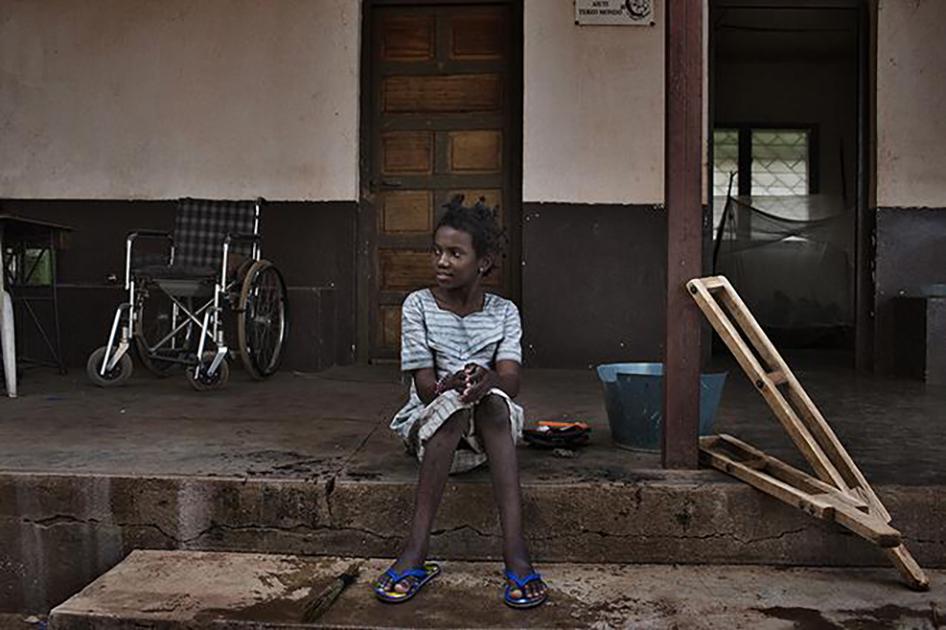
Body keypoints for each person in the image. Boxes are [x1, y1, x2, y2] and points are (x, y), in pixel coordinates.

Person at [372, 196, 548, 609]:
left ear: (483, 262)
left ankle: (515, 553)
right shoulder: (418, 305)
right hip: (432, 424)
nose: (442, 262)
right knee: (453, 406)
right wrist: (452, 384)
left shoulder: (504, 312)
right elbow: (424, 386)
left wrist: (486, 381)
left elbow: (512, 380)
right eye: (437, 251)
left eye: (455, 253)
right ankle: (415, 553)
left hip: (486, 431)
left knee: (496, 404)